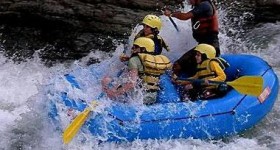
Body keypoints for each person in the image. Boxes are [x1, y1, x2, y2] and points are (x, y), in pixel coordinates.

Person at [102, 37, 172, 105]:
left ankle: (105, 100)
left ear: (143, 49)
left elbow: (132, 83)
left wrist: (115, 93)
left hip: (139, 98)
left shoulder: (134, 60)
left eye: (135, 47)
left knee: (106, 80)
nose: (133, 49)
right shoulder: (155, 61)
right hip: (152, 97)